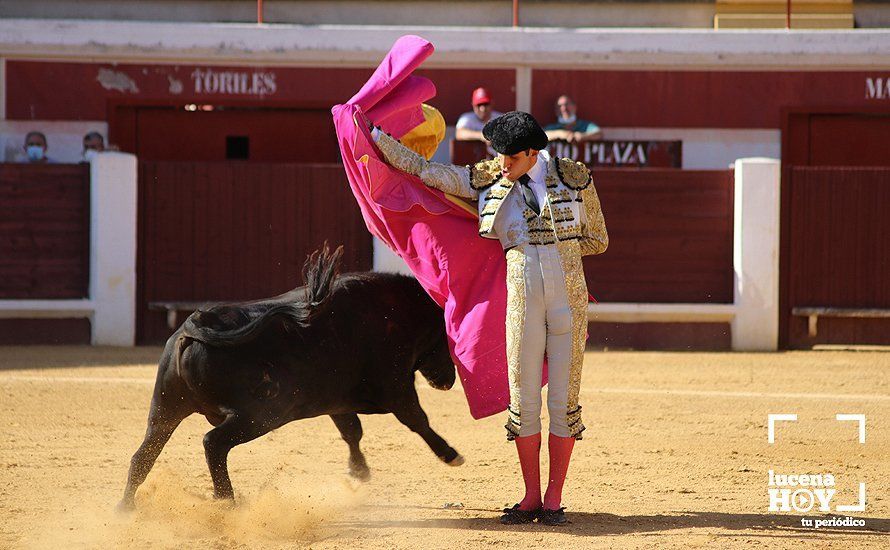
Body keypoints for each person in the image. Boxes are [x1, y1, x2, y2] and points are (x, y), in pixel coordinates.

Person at [365, 110, 607, 526]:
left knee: (563, 404)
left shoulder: (575, 177)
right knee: (523, 403)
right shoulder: (492, 177)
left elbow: (598, 239)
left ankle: (553, 499)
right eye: (500, 157)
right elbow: (428, 172)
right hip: (522, 306)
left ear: (533, 153)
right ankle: (530, 496)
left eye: (511, 158)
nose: (503, 165)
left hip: (568, 305)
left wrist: (554, 251)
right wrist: (374, 138)